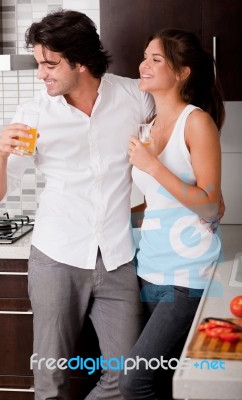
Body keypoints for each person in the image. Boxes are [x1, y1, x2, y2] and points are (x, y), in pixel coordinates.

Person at [0, 9, 157, 400]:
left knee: (129, 378)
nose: (41, 73)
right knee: (51, 381)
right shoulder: (33, 114)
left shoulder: (134, 98)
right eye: (39, 63)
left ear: (81, 60)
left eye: (50, 64)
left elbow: (174, 136)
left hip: (117, 257)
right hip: (56, 257)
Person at [118, 28, 225, 400]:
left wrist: (152, 165)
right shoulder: (149, 127)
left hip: (188, 275)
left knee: (134, 381)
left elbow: (211, 204)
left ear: (182, 72)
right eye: (145, 57)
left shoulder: (196, 122)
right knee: (164, 378)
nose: (143, 65)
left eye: (156, 59)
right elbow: (158, 201)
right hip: (150, 268)